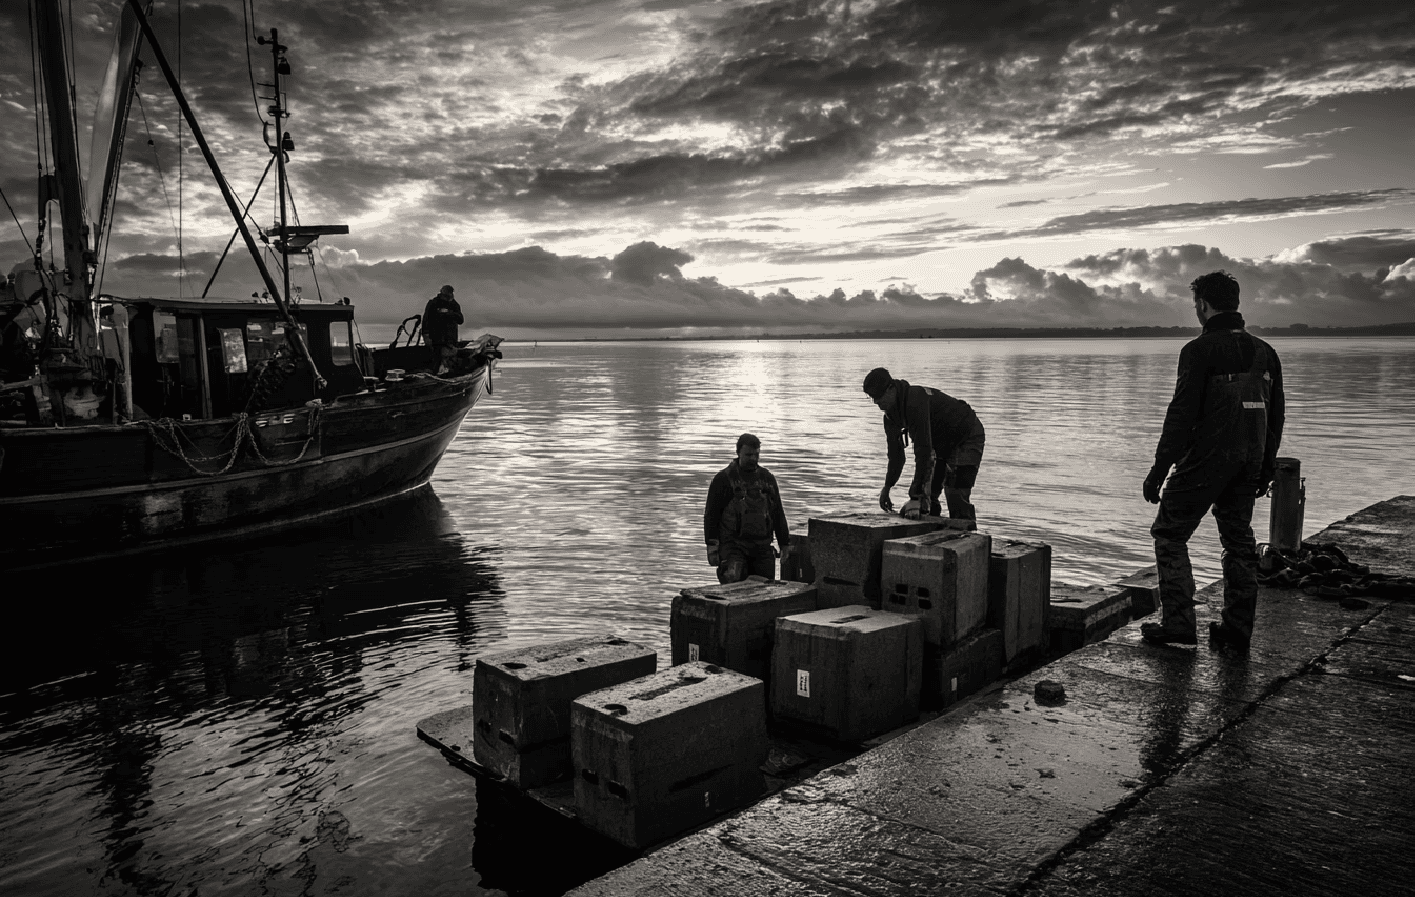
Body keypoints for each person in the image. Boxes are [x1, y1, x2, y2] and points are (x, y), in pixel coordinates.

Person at [1141, 270, 1285, 650]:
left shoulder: (1198, 350)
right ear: (1235, 303)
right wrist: (1266, 466)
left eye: (1196, 305)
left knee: (1169, 534)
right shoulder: (1265, 352)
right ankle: (1237, 629)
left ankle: (1179, 625)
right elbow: (1277, 415)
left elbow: (1181, 415)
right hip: (1250, 459)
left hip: (1206, 459)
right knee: (1239, 541)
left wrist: (1158, 471)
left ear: (1202, 305)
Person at [862, 367, 985, 524]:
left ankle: (968, 536)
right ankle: (934, 533)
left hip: (966, 434)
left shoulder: (915, 400)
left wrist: (915, 497)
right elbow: (896, 456)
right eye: (872, 398)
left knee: (955, 492)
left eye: (879, 396)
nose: (876, 402)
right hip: (941, 444)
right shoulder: (890, 418)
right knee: (928, 499)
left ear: (891, 388)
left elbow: (923, 451)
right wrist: (887, 486)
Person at [703, 433, 792, 583]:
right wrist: (712, 546)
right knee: (733, 585)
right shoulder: (723, 480)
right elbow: (711, 515)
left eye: (756, 454)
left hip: (762, 546)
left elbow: (777, 512)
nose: (753, 459)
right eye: (748, 455)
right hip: (733, 546)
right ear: (738, 453)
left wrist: (784, 543)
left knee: (765, 590)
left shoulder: (767, 479)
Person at [422, 284, 464, 374]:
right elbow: (425, 320)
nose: (447, 297)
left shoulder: (454, 305)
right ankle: (435, 376)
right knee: (436, 361)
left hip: (450, 339)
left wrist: (450, 313)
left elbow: (461, 320)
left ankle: (449, 375)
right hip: (436, 338)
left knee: (450, 361)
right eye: (445, 295)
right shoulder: (433, 303)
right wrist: (426, 335)